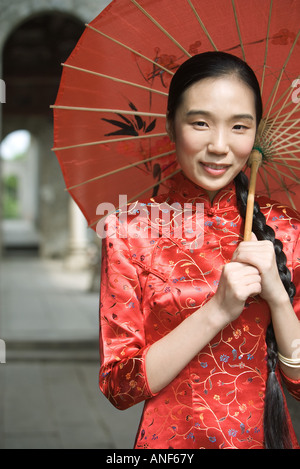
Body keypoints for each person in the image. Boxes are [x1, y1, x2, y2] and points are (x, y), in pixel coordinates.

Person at [98, 51, 300, 449]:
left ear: (257, 133)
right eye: (201, 123)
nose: (220, 145)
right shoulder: (128, 231)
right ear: (172, 125)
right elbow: (119, 386)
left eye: (239, 126)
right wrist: (217, 312)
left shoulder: (287, 230)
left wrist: (276, 295)